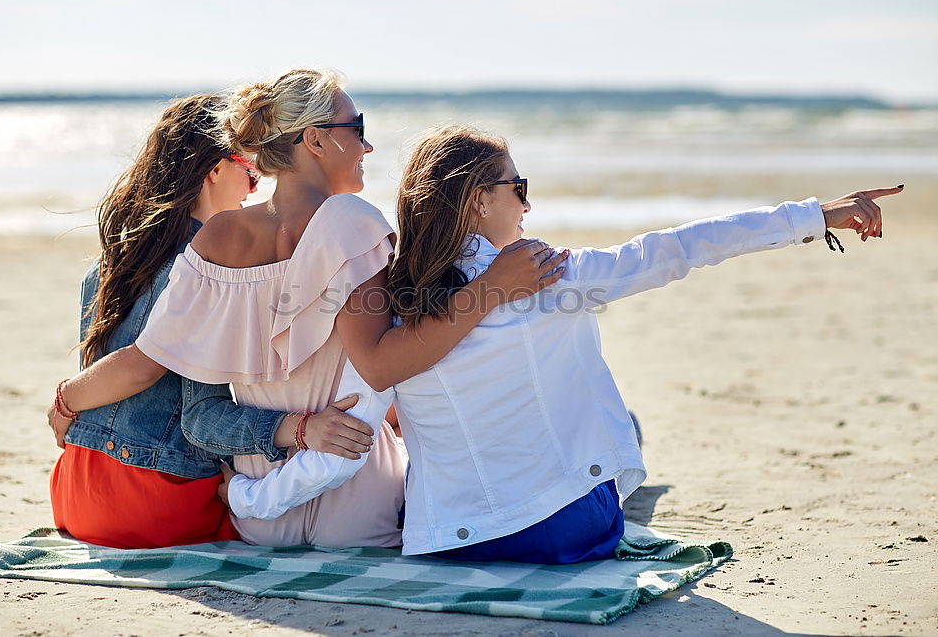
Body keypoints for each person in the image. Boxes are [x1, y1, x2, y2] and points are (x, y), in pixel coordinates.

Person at [221, 124, 902, 564]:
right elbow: (679, 249)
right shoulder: (550, 274)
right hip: (562, 532)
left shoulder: (391, 300)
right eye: (518, 188)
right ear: (477, 202)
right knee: (616, 428)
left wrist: (251, 502)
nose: (528, 205)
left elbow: (356, 428)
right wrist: (816, 215)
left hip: (448, 544)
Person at [50, 72, 568, 548]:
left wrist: (70, 397)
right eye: (357, 128)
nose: (367, 145)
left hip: (260, 515)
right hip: (357, 498)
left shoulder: (219, 236)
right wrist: (493, 287)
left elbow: (197, 416)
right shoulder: (353, 221)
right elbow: (386, 366)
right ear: (314, 139)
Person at [47, 93, 380, 549]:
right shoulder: (204, 273)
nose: (254, 188)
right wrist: (301, 428)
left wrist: (67, 397)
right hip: (156, 504)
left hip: (74, 493)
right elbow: (197, 414)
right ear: (213, 170)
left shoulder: (109, 266)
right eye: (248, 170)